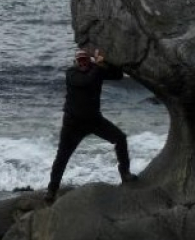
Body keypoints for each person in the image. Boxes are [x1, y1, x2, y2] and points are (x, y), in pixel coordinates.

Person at [46, 47, 136, 202]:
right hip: (73, 124)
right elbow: (86, 82)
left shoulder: (96, 70)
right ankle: (51, 191)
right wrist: (98, 66)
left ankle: (125, 173)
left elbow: (118, 75)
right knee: (62, 157)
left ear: (89, 60)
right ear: (75, 62)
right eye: (80, 60)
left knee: (120, 138)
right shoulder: (71, 74)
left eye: (85, 59)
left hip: (94, 120)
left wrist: (107, 61)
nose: (82, 63)